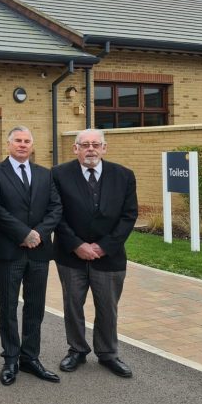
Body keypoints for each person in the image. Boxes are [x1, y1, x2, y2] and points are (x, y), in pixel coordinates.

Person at [52, 128, 138, 378]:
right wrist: (77, 245)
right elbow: (55, 213)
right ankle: (77, 350)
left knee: (108, 307)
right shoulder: (58, 174)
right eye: (85, 144)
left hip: (109, 256)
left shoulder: (124, 175)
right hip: (71, 255)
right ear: (75, 148)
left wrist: (104, 246)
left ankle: (108, 353)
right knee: (72, 305)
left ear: (104, 148)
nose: (90, 149)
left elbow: (129, 215)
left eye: (96, 144)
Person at [0, 126, 62, 386]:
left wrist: (38, 234)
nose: (22, 145)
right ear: (8, 144)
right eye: (18, 140)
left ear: (32, 145)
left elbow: (56, 208)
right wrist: (23, 233)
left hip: (39, 252)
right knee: (8, 307)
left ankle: (30, 357)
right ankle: (11, 358)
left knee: (35, 306)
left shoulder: (45, 174)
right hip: (9, 250)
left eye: (27, 141)